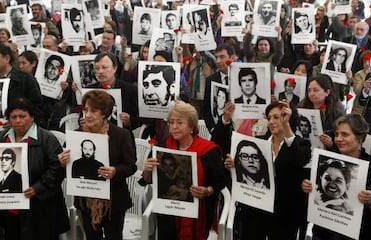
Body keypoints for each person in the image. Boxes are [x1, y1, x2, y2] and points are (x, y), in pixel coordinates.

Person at [0, 98, 69, 240]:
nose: (17, 121)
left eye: (22, 116)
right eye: (13, 117)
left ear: (32, 117)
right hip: (7, 211)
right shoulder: (0, 138)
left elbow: (57, 169)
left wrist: (37, 188)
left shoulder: (47, 139)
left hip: (40, 210)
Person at [224, 101, 311, 239]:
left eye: (277, 117)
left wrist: (286, 126)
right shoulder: (257, 143)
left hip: (284, 214)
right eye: (269, 118)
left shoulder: (301, 144)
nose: (271, 122)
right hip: (255, 210)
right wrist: (234, 165)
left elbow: (300, 159)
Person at [141, 100, 226, 240]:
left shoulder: (209, 151)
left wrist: (207, 191)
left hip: (198, 212)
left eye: (179, 123)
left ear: (191, 126)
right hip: (167, 214)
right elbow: (148, 180)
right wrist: (147, 171)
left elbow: (219, 182)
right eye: (171, 122)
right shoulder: (162, 147)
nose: (174, 127)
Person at [58, 90, 137, 239]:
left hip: (114, 202)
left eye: (93, 111)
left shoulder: (121, 135)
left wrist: (115, 171)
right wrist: (62, 163)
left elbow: (130, 166)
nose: (87, 115)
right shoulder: (75, 136)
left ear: (104, 113)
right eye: (85, 110)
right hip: (85, 202)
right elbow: (67, 170)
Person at [302, 114, 371, 240]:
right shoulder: (326, 160)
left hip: (361, 235)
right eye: (337, 134)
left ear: (360, 137)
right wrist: (308, 189)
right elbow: (314, 199)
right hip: (323, 233)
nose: (338, 139)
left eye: (345, 134)